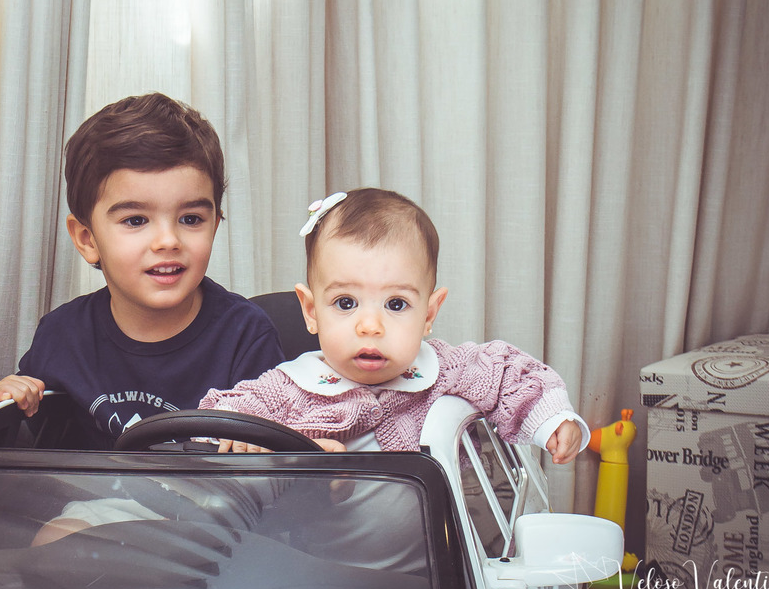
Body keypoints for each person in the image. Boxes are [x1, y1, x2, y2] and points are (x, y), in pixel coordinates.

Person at [0, 93, 285, 448]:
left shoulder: (246, 336)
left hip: (216, 502)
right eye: (136, 220)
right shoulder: (62, 336)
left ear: (215, 225)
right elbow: (21, 449)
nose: (168, 240)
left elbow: (274, 469)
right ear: (87, 238)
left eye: (191, 219)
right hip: (91, 503)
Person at [200, 187, 588, 461]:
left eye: (397, 304)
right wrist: (260, 441)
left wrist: (553, 418)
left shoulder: (446, 371)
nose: (371, 326)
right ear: (311, 311)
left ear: (429, 314)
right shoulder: (287, 389)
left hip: (431, 559)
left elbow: (511, 374)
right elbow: (218, 420)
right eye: (346, 303)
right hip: (318, 558)